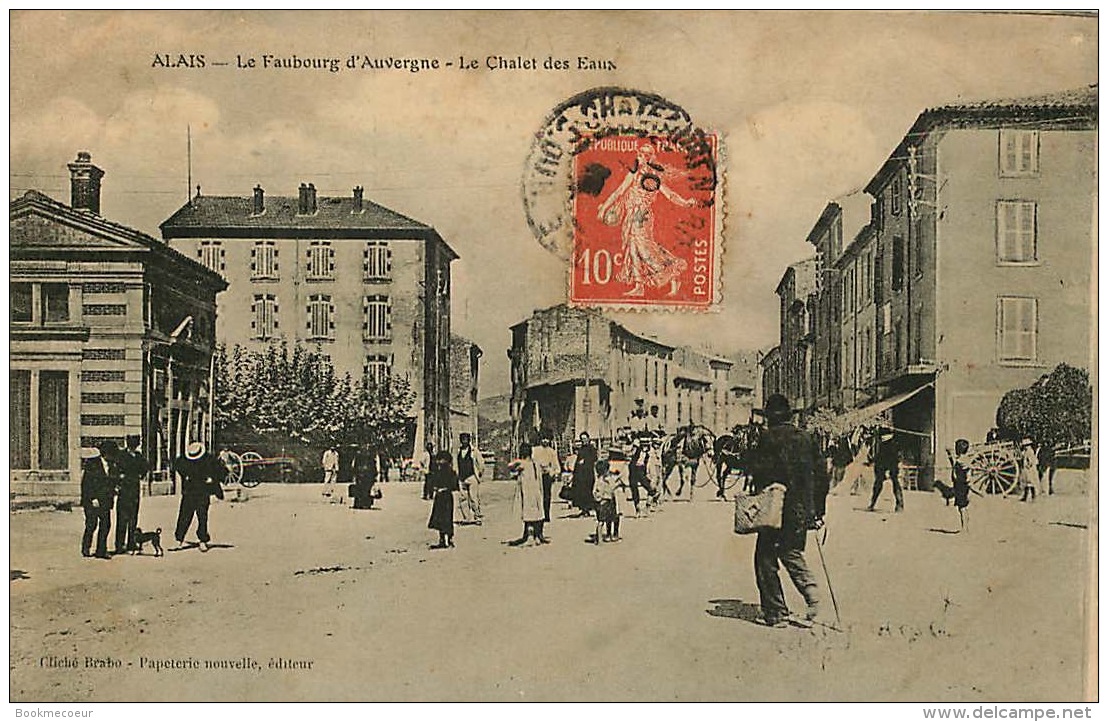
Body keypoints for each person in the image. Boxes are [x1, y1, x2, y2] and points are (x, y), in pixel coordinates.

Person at [746, 394, 825, 629]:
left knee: (765, 559)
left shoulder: (768, 438)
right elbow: (822, 475)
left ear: (770, 417)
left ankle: (776, 613)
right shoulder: (807, 438)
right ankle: (811, 591)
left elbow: (757, 472)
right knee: (791, 550)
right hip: (801, 510)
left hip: (775, 508)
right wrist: (817, 510)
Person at [596, 143, 696, 297]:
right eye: (641, 153)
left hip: (642, 217)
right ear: (638, 155)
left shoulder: (653, 177)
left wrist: (685, 202)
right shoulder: (633, 174)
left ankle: (673, 273)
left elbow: (669, 194)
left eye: (647, 154)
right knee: (633, 250)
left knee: (645, 249)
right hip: (631, 215)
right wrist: (604, 208)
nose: (643, 157)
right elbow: (619, 192)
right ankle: (639, 286)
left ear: (651, 157)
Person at [171, 441, 226, 552]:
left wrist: (212, 479)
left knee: (202, 517)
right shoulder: (184, 461)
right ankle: (179, 539)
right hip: (189, 492)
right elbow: (177, 466)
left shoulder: (208, 460)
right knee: (184, 515)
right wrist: (185, 476)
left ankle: (203, 540)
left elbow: (221, 471)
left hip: (202, 492)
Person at [507, 443, 548, 546]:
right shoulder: (536, 463)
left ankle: (530, 537)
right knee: (537, 512)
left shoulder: (522, 464)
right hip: (537, 491)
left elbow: (510, 466)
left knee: (528, 513)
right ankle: (537, 536)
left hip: (527, 492)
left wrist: (518, 460)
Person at [114, 435, 148, 554]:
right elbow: (115, 470)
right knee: (122, 519)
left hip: (134, 489)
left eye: (135, 444)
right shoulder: (121, 456)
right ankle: (119, 545)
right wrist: (119, 480)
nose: (133, 446)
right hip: (124, 490)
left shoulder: (139, 456)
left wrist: (141, 475)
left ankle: (131, 543)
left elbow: (146, 467)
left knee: (133, 518)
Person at [80, 446, 115, 559]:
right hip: (92, 501)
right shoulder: (92, 464)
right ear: (106, 454)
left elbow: (109, 482)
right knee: (91, 524)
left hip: (105, 500)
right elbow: (87, 483)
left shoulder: (111, 465)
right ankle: (86, 548)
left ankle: (101, 550)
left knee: (106, 524)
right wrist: (92, 498)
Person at [867, 426, 903, 512]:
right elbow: (880, 455)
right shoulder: (883, 444)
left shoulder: (893, 444)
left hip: (892, 465)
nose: (881, 438)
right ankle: (872, 503)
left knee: (895, 483)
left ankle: (899, 504)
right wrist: (873, 460)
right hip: (882, 465)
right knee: (877, 485)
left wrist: (889, 470)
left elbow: (896, 457)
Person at [427, 451, 458, 549]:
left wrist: (444, 488)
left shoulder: (451, 472)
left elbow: (454, 485)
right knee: (439, 518)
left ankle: (449, 539)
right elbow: (432, 484)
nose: (440, 462)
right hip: (439, 498)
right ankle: (441, 539)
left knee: (447, 518)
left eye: (442, 460)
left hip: (447, 497)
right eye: (439, 460)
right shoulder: (436, 472)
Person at [592, 459, 624, 543]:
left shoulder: (598, 480)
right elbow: (611, 489)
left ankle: (607, 535)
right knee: (613, 516)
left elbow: (595, 491)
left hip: (601, 502)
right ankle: (613, 534)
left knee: (605, 519)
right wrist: (618, 482)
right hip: (608, 500)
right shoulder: (606, 480)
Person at [456, 433, 485, 525]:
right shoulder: (458, 451)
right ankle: (466, 518)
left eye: (466, 439)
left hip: (472, 476)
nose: (464, 441)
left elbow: (481, 463)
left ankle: (477, 517)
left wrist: (479, 473)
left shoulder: (474, 451)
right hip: (462, 477)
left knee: (473, 498)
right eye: (462, 439)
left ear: (469, 440)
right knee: (463, 498)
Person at [628, 432, 659, 516]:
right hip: (634, 469)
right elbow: (632, 453)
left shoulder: (649, 450)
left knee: (650, 489)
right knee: (635, 490)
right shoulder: (638, 447)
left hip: (639, 469)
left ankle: (646, 507)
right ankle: (639, 509)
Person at [532, 434, 560, 524]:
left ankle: (546, 515)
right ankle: (538, 515)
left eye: (547, 439)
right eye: (543, 438)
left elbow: (557, 467)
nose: (545, 441)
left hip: (547, 476)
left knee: (547, 496)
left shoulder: (552, 452)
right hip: (537, 475)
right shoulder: (535, 450)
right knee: (537, 495)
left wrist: (551, 472)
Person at [571, 432, 598, 517]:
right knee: (580, 492)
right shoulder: (581, 449)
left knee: (588, 491)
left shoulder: (592, 449)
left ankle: (588, 509)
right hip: (580, 474)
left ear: (588, 439)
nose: (584, 441)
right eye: (582, 439)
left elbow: (594, 459)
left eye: (585, 439)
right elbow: (578, 460)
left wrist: (585, 461)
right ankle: (583, 509)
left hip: (588, 474)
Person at [950, 439, 972, 533]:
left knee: (961, 507)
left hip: (960, 486)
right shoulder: (965, 459)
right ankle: (965, 527)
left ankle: (964, 528)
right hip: (962, 485)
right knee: (963, 507)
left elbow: (957, 470)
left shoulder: (960, 461)